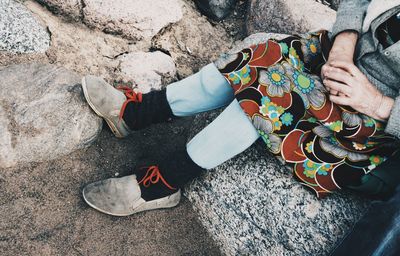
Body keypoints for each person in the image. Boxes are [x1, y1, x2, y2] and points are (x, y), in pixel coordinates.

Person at [81, 0, 400, 216]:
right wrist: (344, 44)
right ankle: (136, 113)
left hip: (368, 120)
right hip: (339, 56)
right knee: (261, 55)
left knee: (272, 97)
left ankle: (163, 184)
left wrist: (379, 103)